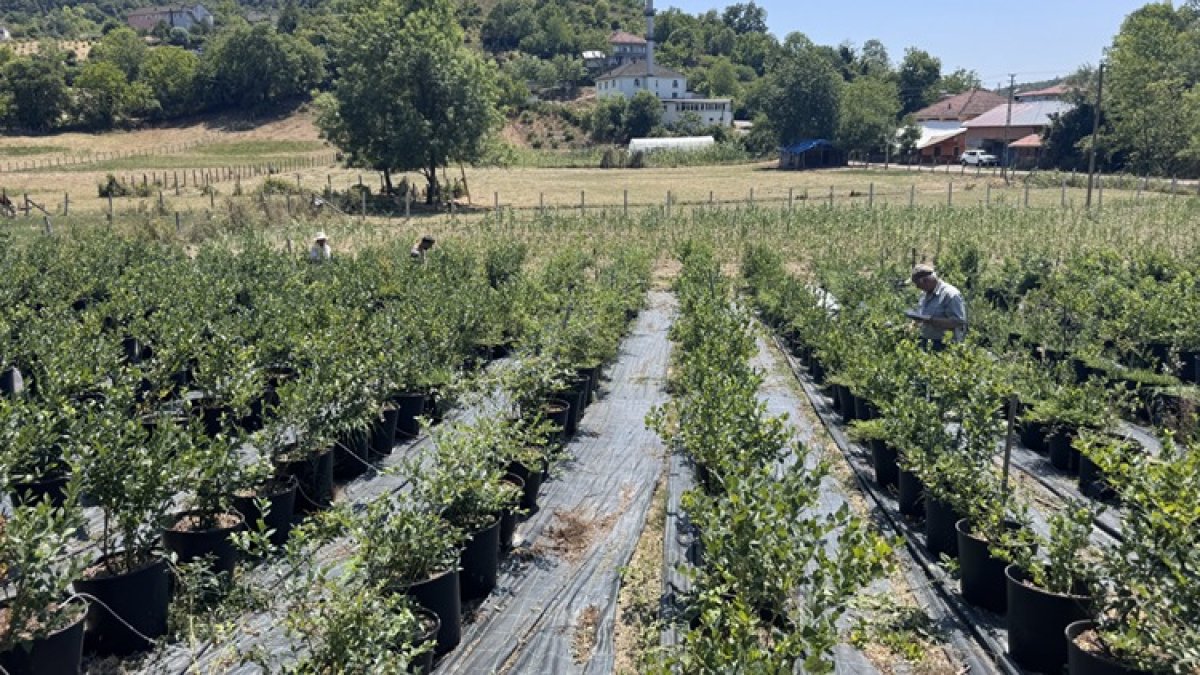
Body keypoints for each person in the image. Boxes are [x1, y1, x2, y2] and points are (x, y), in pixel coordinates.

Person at [909, 263, 966, 351]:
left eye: (918, 284)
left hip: (945, 345)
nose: (917, 287)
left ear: (925, 281)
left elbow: (958, 322)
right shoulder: (924, 294)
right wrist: (913, 325)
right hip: (925, 342)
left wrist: (930, 320)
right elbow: (920, 314)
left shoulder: (950, 294)